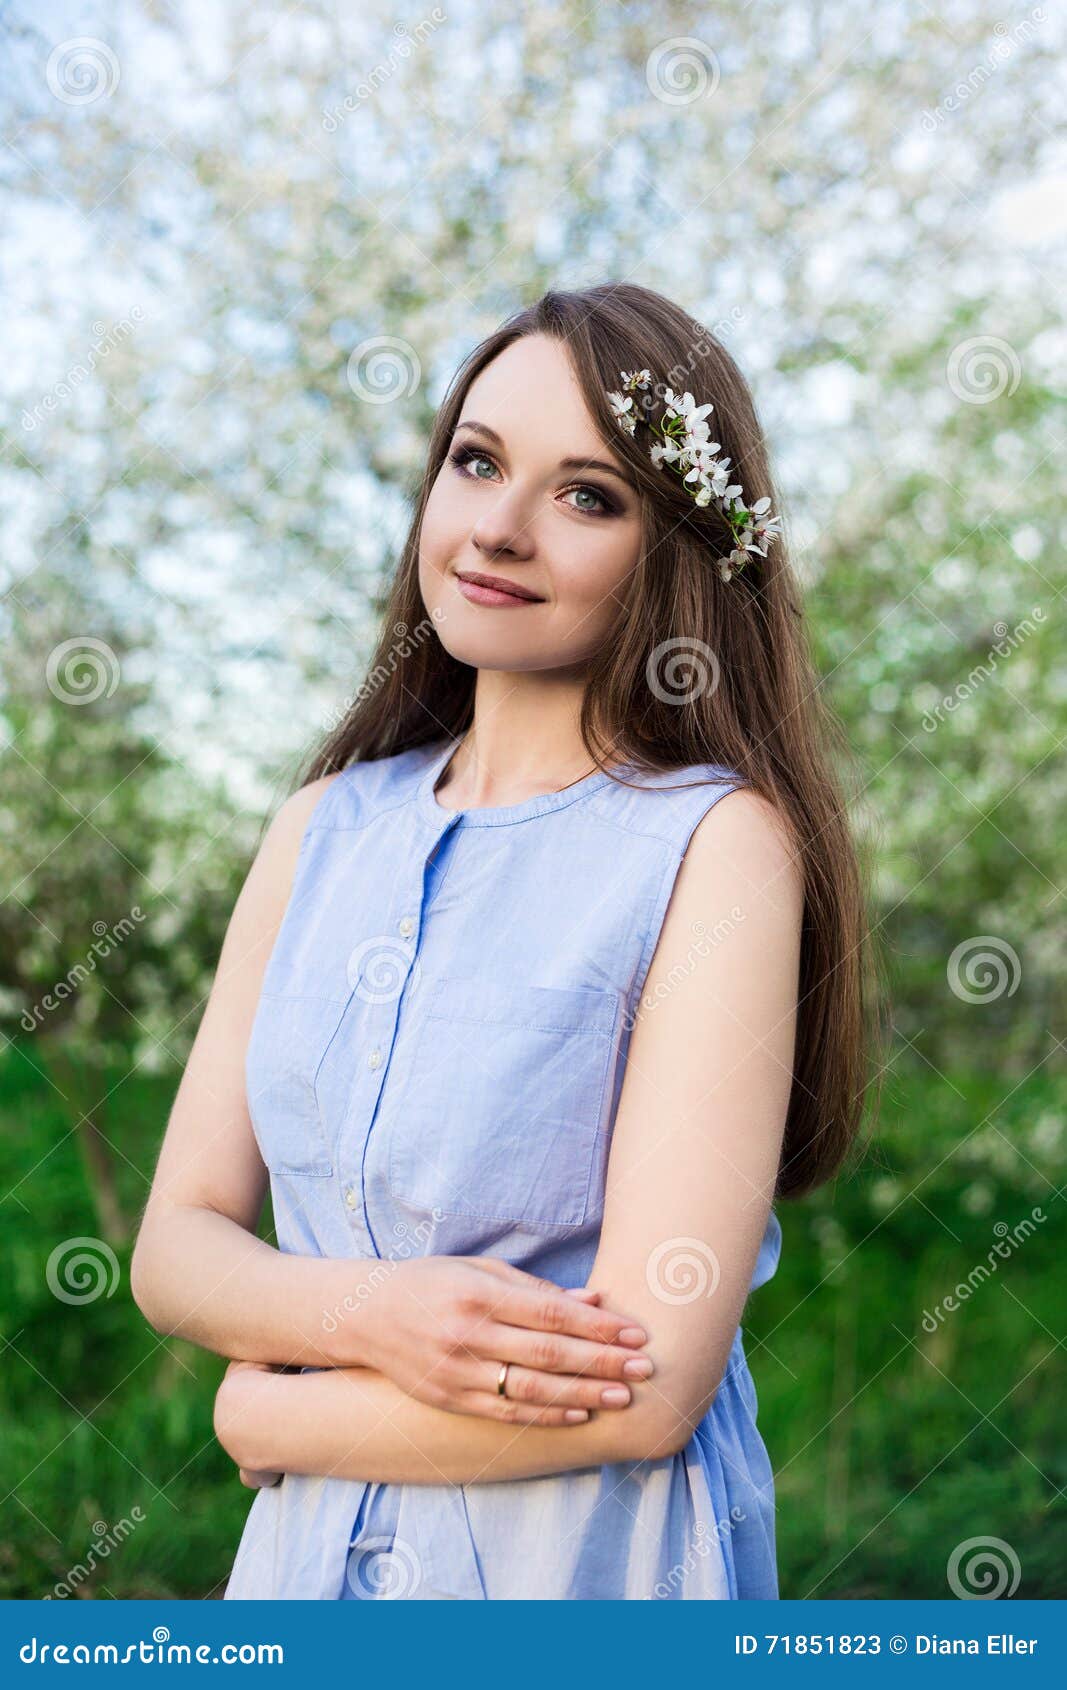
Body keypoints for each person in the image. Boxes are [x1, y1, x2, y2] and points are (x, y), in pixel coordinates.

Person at [131, 281, 875, 1600]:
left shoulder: (715, 845)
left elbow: (645, 1386)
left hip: (590, 1570)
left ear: (674, 548)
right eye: (477, 462)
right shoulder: (320, 828)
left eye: (587, 495)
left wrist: (271, 1414)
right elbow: (177, 1244)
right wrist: (373, 1315)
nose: (499, 526)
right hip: (303, 1574)